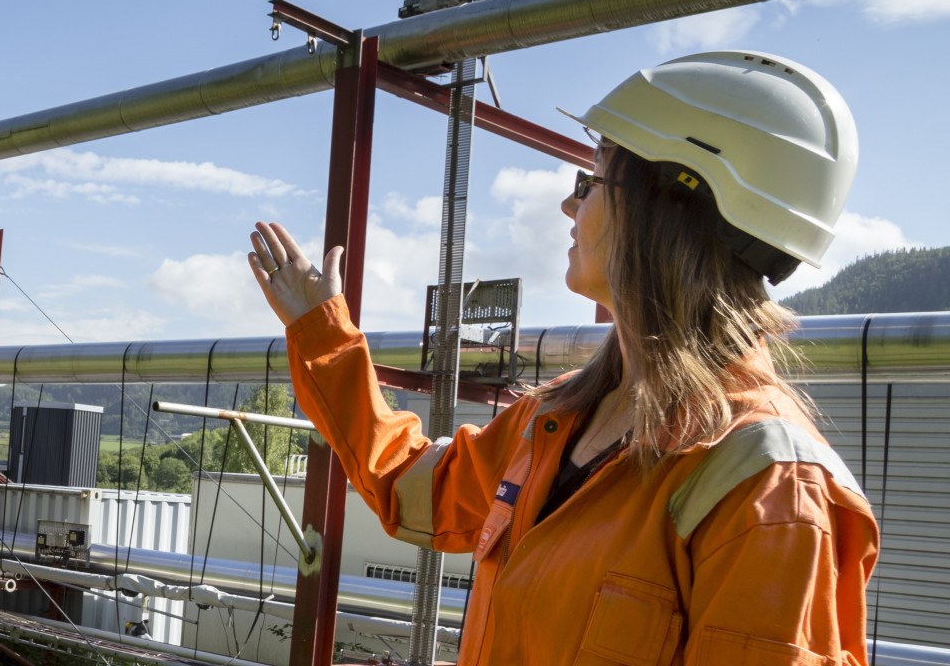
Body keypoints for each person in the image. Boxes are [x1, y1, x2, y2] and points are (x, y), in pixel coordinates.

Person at [246, 51, 877, 664]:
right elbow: (416, 487)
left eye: (593, 179)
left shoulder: (769, 487)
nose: (570, 205)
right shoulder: (554, 418)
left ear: (671, 203)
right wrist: (322, 334)